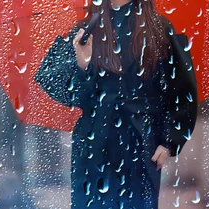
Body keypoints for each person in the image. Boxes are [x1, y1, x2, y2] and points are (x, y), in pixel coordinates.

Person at [35, 0, 198, 208]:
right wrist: (83, 66)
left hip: (140, 145)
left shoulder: (159, 29)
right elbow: (65, 88)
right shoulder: (86, 31)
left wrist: (169, 142)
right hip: (94, 146)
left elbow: (183, 91)